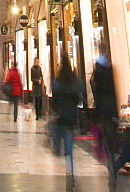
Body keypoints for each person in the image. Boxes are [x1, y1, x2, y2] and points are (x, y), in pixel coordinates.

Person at [51, 53, 85, 182]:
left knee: (58, 137)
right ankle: (70, 170)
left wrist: (56, 108)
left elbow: (54, 99)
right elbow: (78, 96)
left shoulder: (58, 80)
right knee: (69, 145)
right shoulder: (74, 80)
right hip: (71, 116)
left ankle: (57, 148)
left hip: (60, 116)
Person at [90, 49, 117, 188]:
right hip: (110, 105)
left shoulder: (98, 72)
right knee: (109, 129)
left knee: (106, 129)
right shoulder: (109, 71)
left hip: (102, 106)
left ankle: (108, 149)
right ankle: (111, 151)